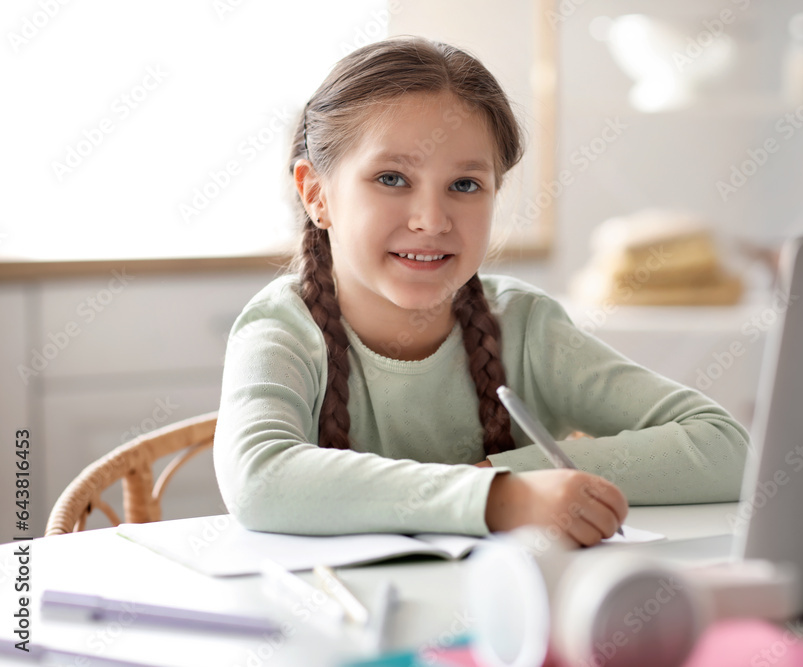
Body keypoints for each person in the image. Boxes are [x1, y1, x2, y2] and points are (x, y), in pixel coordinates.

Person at [213, 36, 749, 548]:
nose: (431, 220)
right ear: (316, 193)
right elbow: (259, 479)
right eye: (392, 178)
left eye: (465, 185)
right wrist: (500, 499)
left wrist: (505, 471)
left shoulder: (524, 326)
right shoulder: (281, 330)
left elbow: (728, 448)